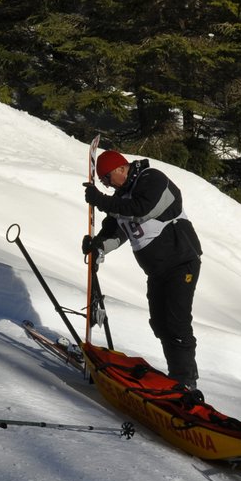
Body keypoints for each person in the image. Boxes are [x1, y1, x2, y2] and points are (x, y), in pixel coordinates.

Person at [82, 149, 203, 395]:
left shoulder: (152, 179)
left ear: (120, 168)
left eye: (106, 178)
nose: (106, 184)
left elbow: (140, 209)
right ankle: (176, 377)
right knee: (159, 323)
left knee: (176, 322)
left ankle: (186, 381)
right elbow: (119, 231)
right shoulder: (122, 197)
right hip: (157, 271)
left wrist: (101, 200)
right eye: (103, 181)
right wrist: (97, 245)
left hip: (181, 263)